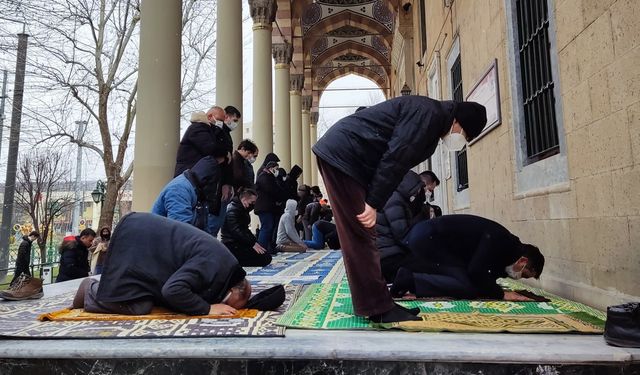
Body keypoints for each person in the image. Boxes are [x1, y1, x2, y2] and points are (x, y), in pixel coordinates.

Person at [312, 96, 487, 323]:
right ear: (458, 123)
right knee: (360, 232)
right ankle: (378, 307)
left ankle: (378, 303)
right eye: (465, 135)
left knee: (364, 232)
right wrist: (373, 203)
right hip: (344, 157)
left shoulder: (432, 120)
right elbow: (395, 158)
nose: (461, 140)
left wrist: (375, 199)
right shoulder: (428, 116)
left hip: (349, 159)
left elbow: (397, 163)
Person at [71, 212, 251, 316]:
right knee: (138, 306)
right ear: (234, 290)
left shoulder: (223, 266)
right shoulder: (212, 263)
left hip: (144, 241)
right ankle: (90, 290)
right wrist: (208, 308)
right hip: (134, 240)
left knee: (148, 301)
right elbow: (173, 290)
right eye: (232, 304)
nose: (229, 308)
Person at [391, 214, 545, 301]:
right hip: (430, 239)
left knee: (465, 281)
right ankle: (409, 279)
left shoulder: (508, 250)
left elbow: (487, 273)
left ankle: (410, 272)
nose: (519, 277)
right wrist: (501, 294)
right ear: (523, 261)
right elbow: (476, 271)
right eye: (524, 274)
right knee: (466, 287)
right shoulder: (501, 240)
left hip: (431, 240)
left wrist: (492, 287)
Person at [375, 171, 428, 283]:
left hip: (385, 255)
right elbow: (402, 235)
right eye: (418, 189)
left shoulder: (393, 196)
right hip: (390, 257)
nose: (419, 193)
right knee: (431, 267)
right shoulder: (394, 200)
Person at [152, 156, 221, 231]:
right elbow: (180, 231)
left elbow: (202, 225)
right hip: (164, 238)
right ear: (206, 181)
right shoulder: (179, 190)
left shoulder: (197, 188)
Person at [221, 189, 272, 267]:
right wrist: (252, 243)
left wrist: (254, 242)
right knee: (264, 258)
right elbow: (237, 231)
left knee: (265, 254)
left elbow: (244, 230)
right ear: (244, 199)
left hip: (239, 243)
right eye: (252, 202)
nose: (253, 205)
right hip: (232, 244)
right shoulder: (233, 210)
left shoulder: (241, 209)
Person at [0, 231, 43, 301]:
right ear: (33, 236)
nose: (35, 240)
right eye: (35, 238)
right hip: (22, 264)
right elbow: (21, 255)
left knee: (25, 277)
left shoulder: (27, 243)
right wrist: (23, 263)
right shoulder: (25, 243)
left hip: (24, 264)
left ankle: (19, 289)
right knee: (19, 276)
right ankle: (12, 289)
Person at [255, 160, 284, 253]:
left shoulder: (268, 177)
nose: (277, 171)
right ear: (271, 168)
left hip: (267, 207)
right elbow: (273, 190)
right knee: (266, 227)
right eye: (276, 169)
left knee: (268, 227)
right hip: (264, 207)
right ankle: (262, 249)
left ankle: (266, 248)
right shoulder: (265, 177)